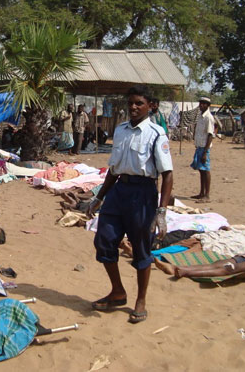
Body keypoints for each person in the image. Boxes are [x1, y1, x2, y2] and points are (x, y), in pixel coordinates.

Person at [86, 85, 173, 324]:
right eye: (131, 103)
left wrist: (162, 212)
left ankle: (141, 300)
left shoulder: (156, 134)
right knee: (104, 240)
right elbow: (114, 169)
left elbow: (167, 174)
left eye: (139, 104)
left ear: (150, 106)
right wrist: (99, 197)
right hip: (118, 191)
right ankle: (118, 291)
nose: (133, 108)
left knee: (141, 248)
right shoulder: (121, 130)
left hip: (142, 194)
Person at [190, 97, 215, 201]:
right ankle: (201, 193)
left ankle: (207, 195)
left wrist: (205, 152)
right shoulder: (200, 116)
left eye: (203, 104)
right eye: (200, 103)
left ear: (207, 105)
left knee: (206, 170)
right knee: (201, 170)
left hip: (204, 148)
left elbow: (210, 135)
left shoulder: (208, 117)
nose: (200, 105)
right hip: (199, 147)